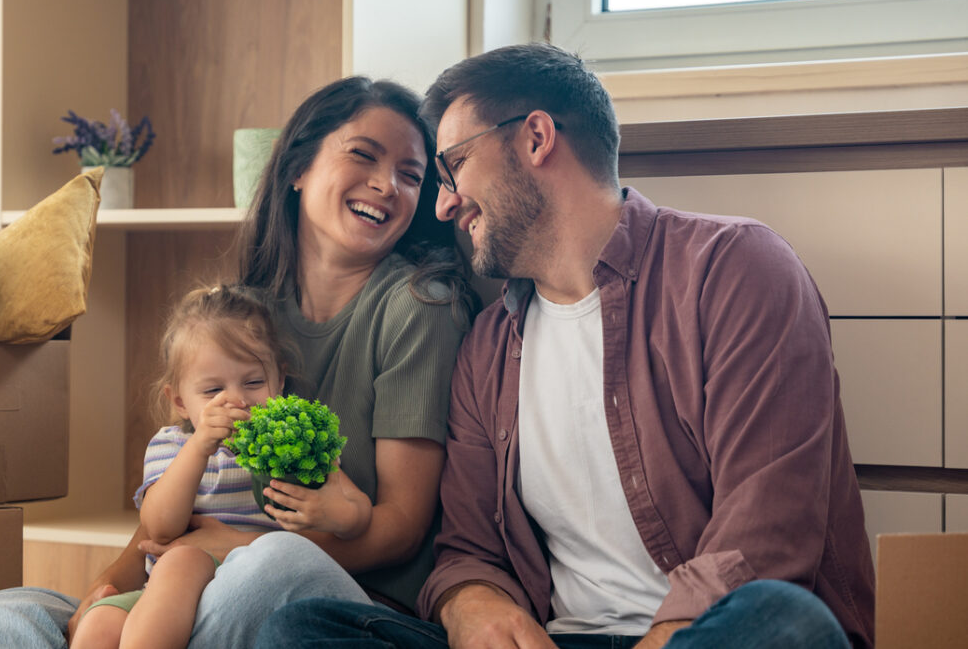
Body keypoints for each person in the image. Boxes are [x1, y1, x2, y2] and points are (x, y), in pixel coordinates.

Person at [254, 42, 876, 649]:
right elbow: (467, 550)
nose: (442, 205)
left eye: (452, 168)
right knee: (300, 630)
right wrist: (471, 601)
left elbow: (767, 534)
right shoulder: (488, 348)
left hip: (705, 632)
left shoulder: (733, 268)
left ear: (535, 138)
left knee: (782, 619)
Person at [0, 76, 475, 649]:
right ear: (298, 169)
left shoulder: (419, 307)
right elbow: (185, 487)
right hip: (198, 580)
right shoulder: (243, 313)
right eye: (364, 155)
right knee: (1, 614)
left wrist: (234, 547)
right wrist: (113, 580)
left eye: (411, 175)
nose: (387, 185)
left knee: (268, 565)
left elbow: (401, 530)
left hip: (344, 602)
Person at [71, 284, 325, 649]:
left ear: (280, 380)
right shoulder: (173, 446)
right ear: (179, 400)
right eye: (211, 391)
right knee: (99, 625)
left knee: (181, 561)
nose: (235, 400)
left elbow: (326, 523)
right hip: (162, 601)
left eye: (253, 382)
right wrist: (199, 447)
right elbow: (159, 528)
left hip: (248, 589)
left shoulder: (288, 448)